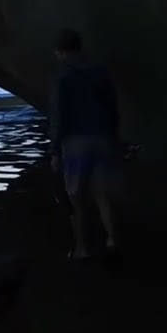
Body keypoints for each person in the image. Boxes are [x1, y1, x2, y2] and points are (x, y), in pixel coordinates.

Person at [47, 28, 125, 262]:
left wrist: (54, 151)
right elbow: (113, 110)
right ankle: (112, 241)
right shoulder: (100, 73)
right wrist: (114, 137)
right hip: (102, 139)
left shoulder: (63, 78)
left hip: (75, 144)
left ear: (61, 52)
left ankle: (82, 248)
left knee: (75, 197)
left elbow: (58, 117)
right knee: (102, 194)